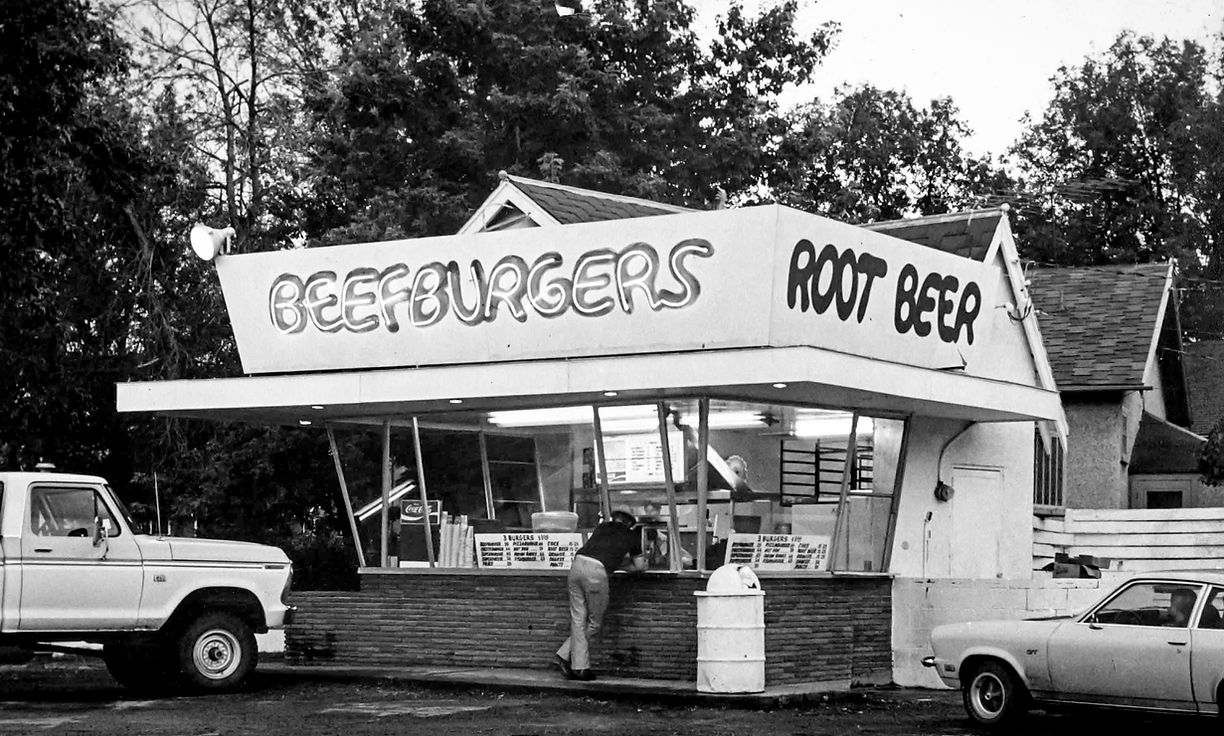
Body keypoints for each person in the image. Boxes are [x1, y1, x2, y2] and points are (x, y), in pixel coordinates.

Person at [552, 510, 647, 681]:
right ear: (630, 524)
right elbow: (639, 566)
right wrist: (622, 564)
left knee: (578, 619)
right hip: (595, 573)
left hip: (576, 566)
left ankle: (575, 664)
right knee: (594, 623)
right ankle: (569, 659)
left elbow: (601, 549)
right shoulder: (631, 535)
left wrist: (614, 561)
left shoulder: (601, 527)